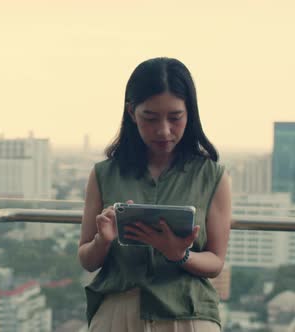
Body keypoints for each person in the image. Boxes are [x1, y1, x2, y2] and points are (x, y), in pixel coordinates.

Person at [78, 57, 231, 332]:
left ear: (190, 113)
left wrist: (179, 254)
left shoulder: (212, 176)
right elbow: (87, 260)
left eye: (175, 118)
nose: (164, 130)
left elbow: (216, 262)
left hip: (188, 314)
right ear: (131, 112)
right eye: (150, 118)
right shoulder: (104, 174)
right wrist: (102, 240)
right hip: (118, 312)